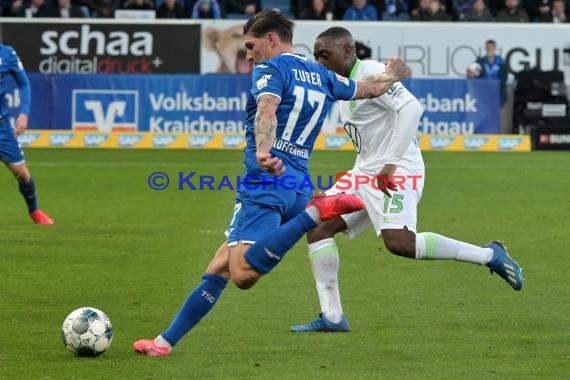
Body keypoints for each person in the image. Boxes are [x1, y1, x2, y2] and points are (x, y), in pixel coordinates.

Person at [133, 11, 411, 357]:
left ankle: (314, 215)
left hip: (266, 179)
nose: (247, 55)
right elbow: (368, 89)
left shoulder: (271, 68)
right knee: (218, 266)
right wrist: (394, 74)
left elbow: (267, 108)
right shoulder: (321, 74)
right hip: (298, 182)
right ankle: (164, 343)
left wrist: (264, 151)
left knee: (243, 274)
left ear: (272, 40)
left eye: (250, 46)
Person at [290, 27, 523, 333]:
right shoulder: (346, 85)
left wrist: (390, 165)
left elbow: (412, 108)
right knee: (319, 227)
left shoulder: (371, 71)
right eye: (316, 55)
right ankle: (333, 317)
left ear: (347, 52)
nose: (320, 61)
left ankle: (490, 255)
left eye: (326, 55)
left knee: (400, 243)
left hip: (398, 170)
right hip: (365, 172)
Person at [0, 44, 53, 225]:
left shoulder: (7, 54)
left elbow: (24, 84)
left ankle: (34, 210)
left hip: (2, 129)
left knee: (22, 174)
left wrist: (24, 113)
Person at [476, 39, 508, 107]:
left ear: (495, 48)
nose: (489, 49)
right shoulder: (480, 62)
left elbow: (504, 78)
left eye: (491, 47)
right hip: (484, 92)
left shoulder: (501, 62)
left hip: (497, 92)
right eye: (487, 48)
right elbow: (476, 77)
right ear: (485, 48)